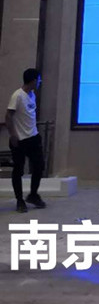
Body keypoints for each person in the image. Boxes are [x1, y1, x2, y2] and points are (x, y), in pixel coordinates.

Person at [5, 68, 46, 213]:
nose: (40, 82)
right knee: (18, 170)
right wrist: (13, 135)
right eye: (39, 80)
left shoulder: (32, 95)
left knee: (39, 166)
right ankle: (19, 200)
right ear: (33, 81)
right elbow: (8, 116)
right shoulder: (17, 96)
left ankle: (33, 195)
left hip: (33, 137)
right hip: (20, 139)